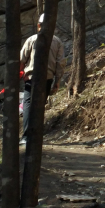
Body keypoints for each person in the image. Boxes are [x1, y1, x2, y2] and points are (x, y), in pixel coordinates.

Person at [19, 14, 66, 144]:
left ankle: (26, 137)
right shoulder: (57, 42)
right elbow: (60, 63)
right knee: (39, 107)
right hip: (47, 79)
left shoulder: (32, 39)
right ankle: (36, 137)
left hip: (31, 78)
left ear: (39, 25)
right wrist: (57, 81)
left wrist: (20, 73)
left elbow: (21, 59)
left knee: (28, 105)